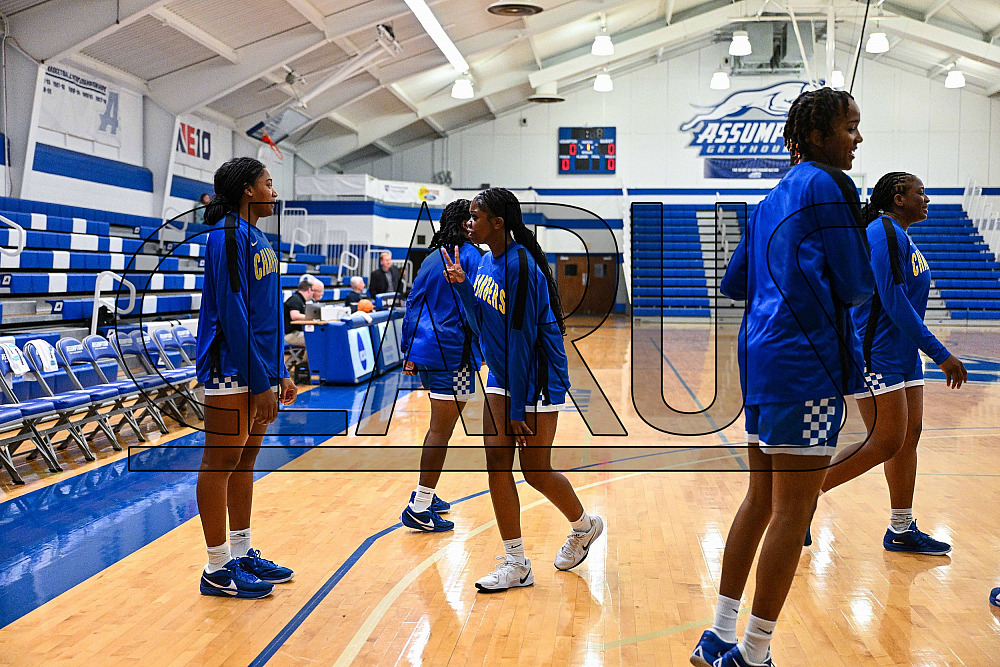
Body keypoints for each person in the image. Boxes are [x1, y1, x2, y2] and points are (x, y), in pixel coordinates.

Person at [691, 88, 871, 667]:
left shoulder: (771, 197)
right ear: (818, 134)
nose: (857, 139)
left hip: (762, 363)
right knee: (795, 512)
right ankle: (754, 651)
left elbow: (735, 281)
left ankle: (719, 633)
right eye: (849, 127)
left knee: (761, 499)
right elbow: (856, 285)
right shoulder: (832, 186)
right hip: (806, 365)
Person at [442, 187, 604, 593]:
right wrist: (463, 286)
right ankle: (516, 562)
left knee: (534, 471)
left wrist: (516, 406)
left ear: (498, 222)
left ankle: (584, 527)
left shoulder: (520, 266)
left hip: (534, 376)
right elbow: (482, 323)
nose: (469, 222)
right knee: (496, 462)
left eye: (476, 216)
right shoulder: (482, 262)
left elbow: (521, 338)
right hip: (501, 375)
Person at [812, 172, 967, 555]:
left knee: (907, 439)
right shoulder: (881, 232)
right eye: (921, 193)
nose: (927, 199)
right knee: (884, 441)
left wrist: (920, 353)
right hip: (875, 353)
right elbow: (894, 301)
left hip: (903, 357)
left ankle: (901, 528)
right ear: (898, 198)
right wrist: (941, 353)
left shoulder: (903, 235)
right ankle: (800, 498)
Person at [195, 157, 298, 599]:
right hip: (230, 367)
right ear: (247, 191)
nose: (275, 193)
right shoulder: (227, 236)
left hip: (258, 366)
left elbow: (267, 313)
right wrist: (259, 381)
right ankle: (217, 568)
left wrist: (280, 371)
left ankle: (240, 552)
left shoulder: (257, 236)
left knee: (244, 462)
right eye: (269, 184)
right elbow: (233, 313)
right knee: (219, 463)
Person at [398, 199, 481, 533]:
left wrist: (409, 351)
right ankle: (419, 506)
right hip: (455, 355)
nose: (476, 224)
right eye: (472, 219)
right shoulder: (471, 257)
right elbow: (480, 308)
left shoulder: (432, 256)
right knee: (441, 430)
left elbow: (412, 304)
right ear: (464, 224)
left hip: (428, 354)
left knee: (441, 428)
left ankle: (426, 495)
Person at [283, 278, 313, 347]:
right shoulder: (295, 299)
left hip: (296, 332)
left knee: (314, 337)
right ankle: (307, 358)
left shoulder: (300, 300)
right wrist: (311, 317)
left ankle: (302, 357)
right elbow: (294, 316)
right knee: (313, 340)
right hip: (291, 334)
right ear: (309, 290)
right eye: (312, 291)